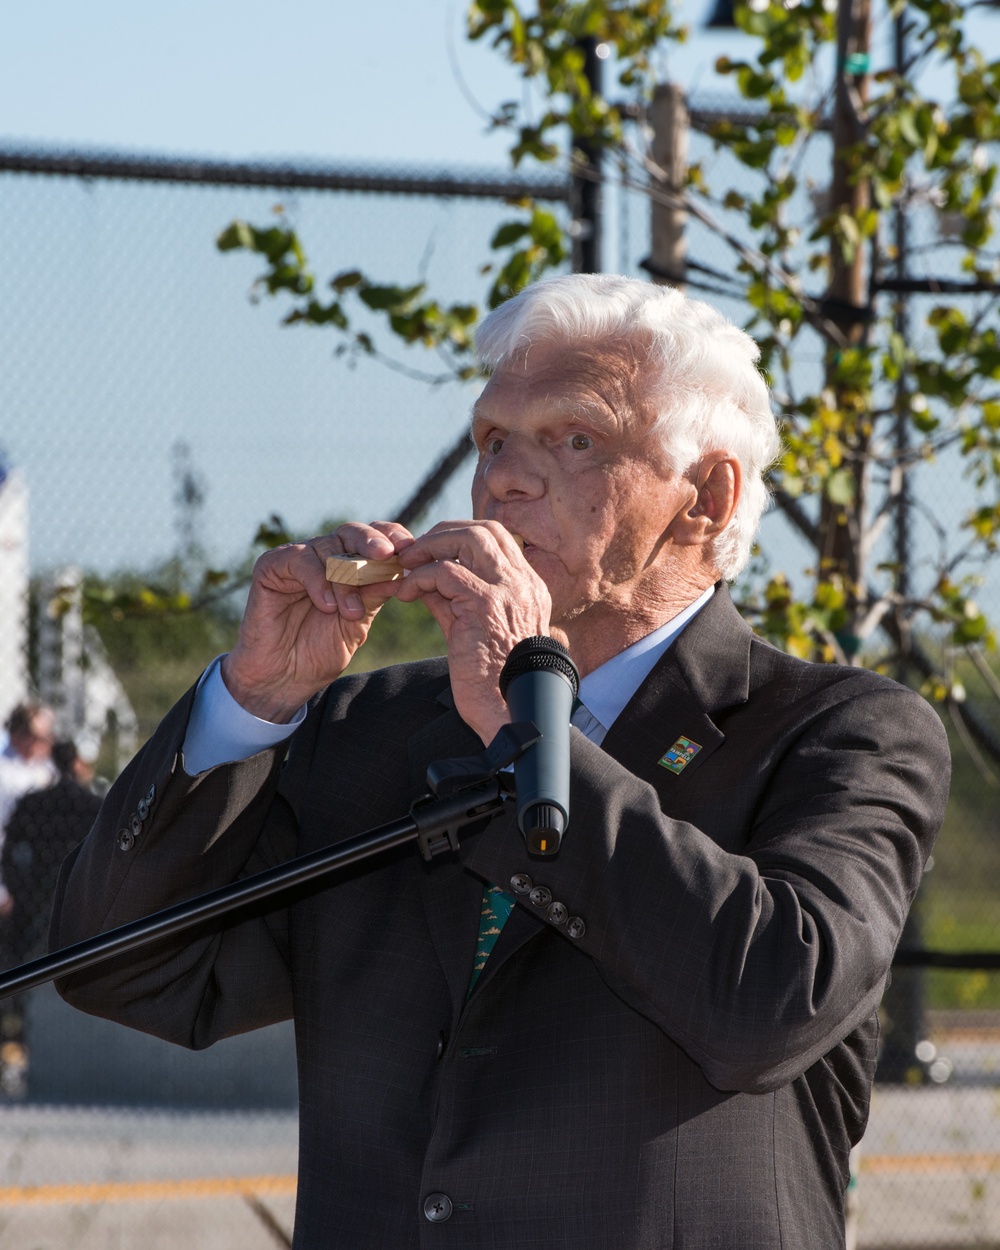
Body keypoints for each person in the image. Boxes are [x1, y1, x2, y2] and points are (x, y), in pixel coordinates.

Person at [51, 274, 949, 1249]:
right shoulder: (371, 726)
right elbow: (126, 970)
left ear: (706, 497)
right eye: (492, 441)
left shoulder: (843, 729)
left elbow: (769, 1000)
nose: (505, 479)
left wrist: (526, 729)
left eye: (575, 439)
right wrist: (253, 701)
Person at [0, 739, 102, 1098]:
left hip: (37, 899)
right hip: (71, 897)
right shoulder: (91, 806)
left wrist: (19, 886)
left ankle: (20, 1040)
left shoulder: (35, 804)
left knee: (23, 975)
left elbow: (10, 850)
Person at [0, 703, 57, 918]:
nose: (45, 744)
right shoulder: (4, 774)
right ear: (18, 735)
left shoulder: (50, 769)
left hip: (44, 872)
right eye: (38, 737)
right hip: (13, 872)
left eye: (48, 737)